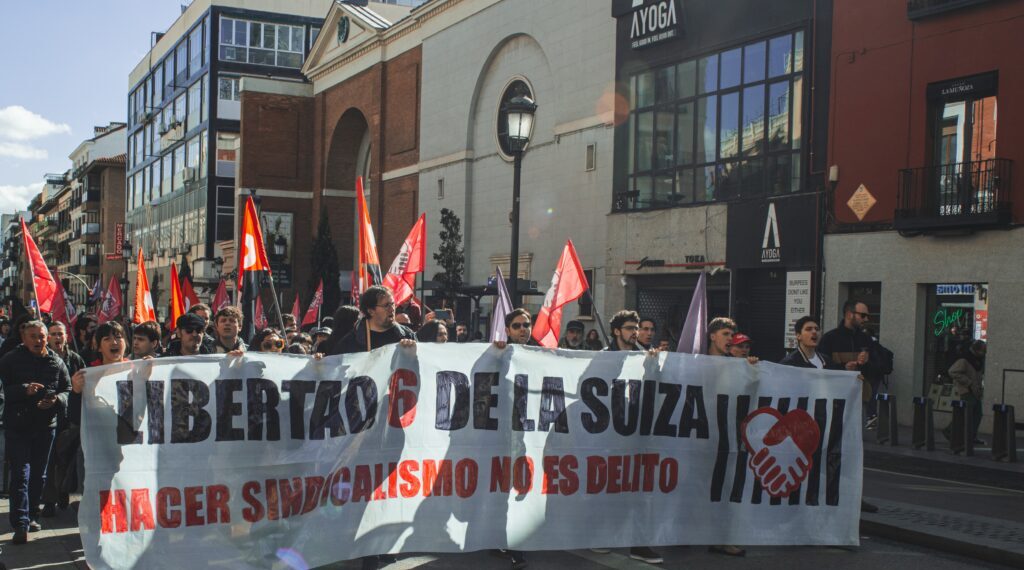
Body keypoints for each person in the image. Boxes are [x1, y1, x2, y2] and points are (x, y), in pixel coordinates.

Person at [0, 320, 71, 544]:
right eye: (34, 336)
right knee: (21, 473)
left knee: (39, 474)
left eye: (41, 336)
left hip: (45, 427)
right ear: (24, 338)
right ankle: (20, 522)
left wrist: (56, 400)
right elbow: (3, 392)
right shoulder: (10, 360)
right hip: (17, 427)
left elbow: (67, 390)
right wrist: (24, 390)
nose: (39, 341)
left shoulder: (56, 361)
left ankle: (32, 515)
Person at [818, 300, 886, 428]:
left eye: (867, 316)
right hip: (834, 400)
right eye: (863, 315)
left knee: (855, 441)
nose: (866, 319)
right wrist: (843, 367)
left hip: (859, 400)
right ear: (850, 315)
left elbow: (879, 368)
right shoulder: (829, 338)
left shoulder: (865, 339)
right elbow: (821, 368)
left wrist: (866, 363)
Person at [40, 322, 84, 517]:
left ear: (66, 336)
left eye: (60, 334)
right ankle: (49, 500)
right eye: (53, 334)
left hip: (72, 418)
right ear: (48, 338)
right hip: (50, 417)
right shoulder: (43, 359)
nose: (57, 338)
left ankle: (64, 492)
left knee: (67, 459)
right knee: (50, 461)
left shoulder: (75, 359)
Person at [337, 286, 416, 354]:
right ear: (371, 311)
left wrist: (412, 353)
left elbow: (420, 366)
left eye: (392, 304)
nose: (392, 309)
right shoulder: (351, 342)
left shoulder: (407, 336)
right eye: (386, 305)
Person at [943, 340, 986, 445]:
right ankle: (950, 431)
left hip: (975, 390)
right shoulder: (965, 359)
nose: (984, 353)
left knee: (977, 414)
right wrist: (968, 382)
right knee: (966, 413)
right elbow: (952, 371)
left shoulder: (978, 360)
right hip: (967, 390)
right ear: (977, 350)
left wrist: (979, 387)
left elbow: (978, 376)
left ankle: (971, 435)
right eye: (982, 350)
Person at [779, 317, 848, 370]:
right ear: (798, 335)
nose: (814, 332)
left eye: (817, 329)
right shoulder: (789, 363)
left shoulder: (827, 361)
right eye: (809, 329)